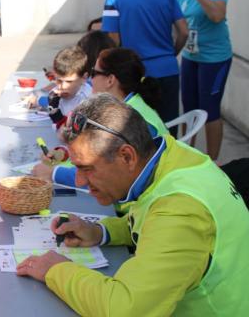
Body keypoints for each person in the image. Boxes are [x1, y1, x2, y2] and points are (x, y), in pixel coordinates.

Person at [17, 94, 249, 316]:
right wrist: (101, 231)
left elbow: (126, 309)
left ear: (127, 156)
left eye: (87, 168)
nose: (79, 180)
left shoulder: (181, 211)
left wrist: (55, 270)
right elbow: (151, 220)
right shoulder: (170, 155)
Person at [33, 48, 168, 200]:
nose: (90, 80)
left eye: (94, 73)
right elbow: (96, 156)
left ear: (110, 80)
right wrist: (64, 153)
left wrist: (54, 173)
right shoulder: (122, 106)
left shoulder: (127, 120)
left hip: (144, 202)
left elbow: (108, 177)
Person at [101, 0, 189, 129]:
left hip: (136, 74)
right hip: (168, 69)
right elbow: (184, 32)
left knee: (140, 131)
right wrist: (171, 54)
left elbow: (113, 39)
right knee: (169, 128)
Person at [175, 0, 233, 161]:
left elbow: (217, 15)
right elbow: (177, 22)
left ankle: (212, 162)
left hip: (215, 58)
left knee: (209, 110)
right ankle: (186, 157)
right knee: (189, 107)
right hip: (191, 55)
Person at [26, 45, 92, 129]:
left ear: (84, 78)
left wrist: (55, 114)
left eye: (69, 81)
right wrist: (40, 101)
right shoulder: (56, 93)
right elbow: (48, 102)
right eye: (59, 80)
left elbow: (73, 131)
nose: (63, 86)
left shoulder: (88, 100)